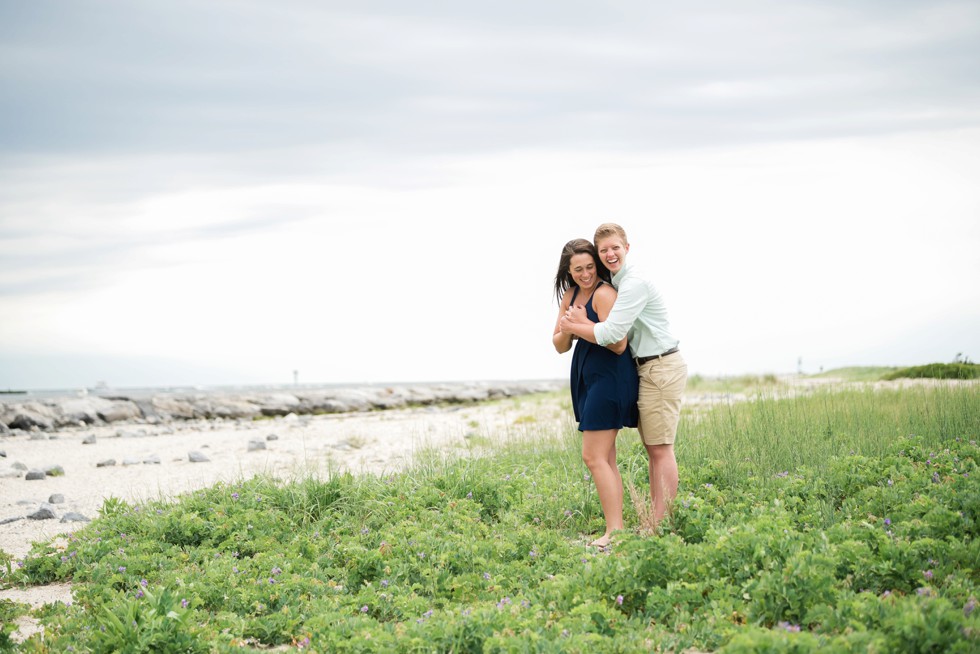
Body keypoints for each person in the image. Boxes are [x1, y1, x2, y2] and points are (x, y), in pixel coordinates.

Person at [560, 223, 687, 530]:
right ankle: (653, 523)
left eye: (615, 248)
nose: (610, 254)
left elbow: (615, 336)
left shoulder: (631, 284)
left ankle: (659, 525)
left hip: (660, 365)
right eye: (604, 250)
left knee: (660, 449)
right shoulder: (617, 282)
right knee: (653, 449)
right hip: (645, 367)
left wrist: (576, 324)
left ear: (627, 247)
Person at [552, 238, 639, 548]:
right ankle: (616, 529)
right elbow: (559, 344)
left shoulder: (604, 294)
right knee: (605, 458)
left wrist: (580, 324)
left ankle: (614, 532)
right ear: (568, 271)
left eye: (590, 267)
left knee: (593, 456)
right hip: (588, 381)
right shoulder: (572, 294)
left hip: (611, 379)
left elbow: (618, 344)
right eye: (578, 269)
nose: (585, 274)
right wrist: (571, 327)